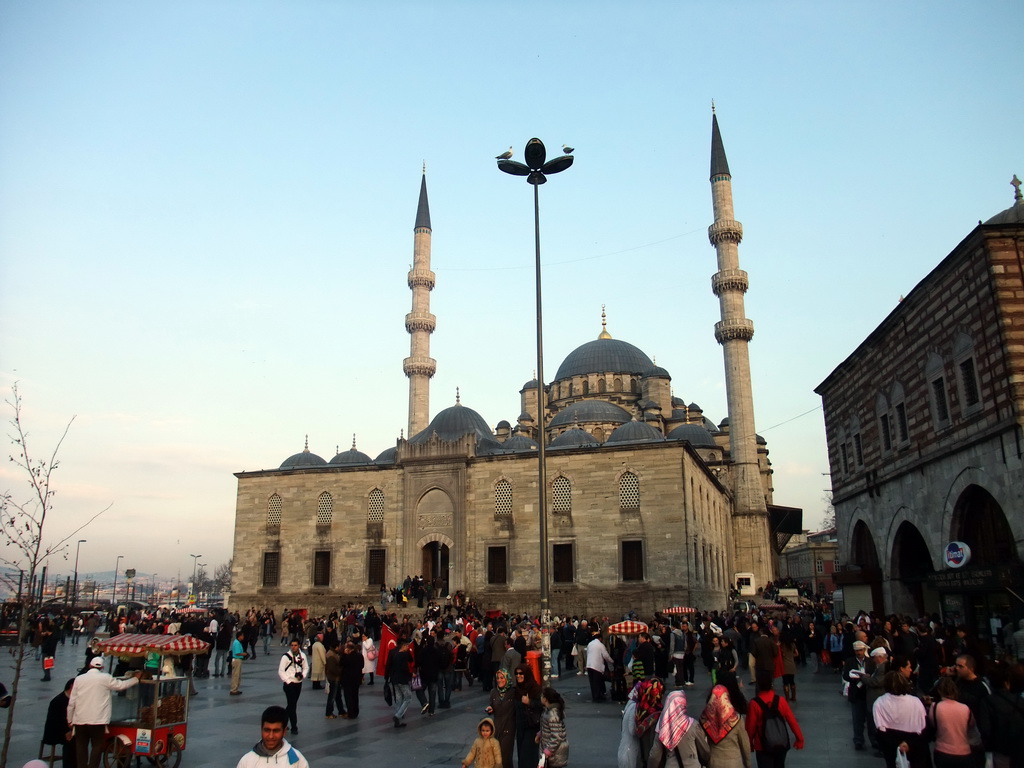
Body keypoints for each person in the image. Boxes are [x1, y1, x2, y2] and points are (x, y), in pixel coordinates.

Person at [67, 657, 143, 768]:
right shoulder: (105, 678)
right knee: (97, 746)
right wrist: (135, 679)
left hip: (80, 720)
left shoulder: (79, 679)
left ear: (89, 666)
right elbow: (121, 686)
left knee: (81, 748)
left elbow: (72, 702)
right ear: (102, 667)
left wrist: (69, 719)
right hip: (98, 720)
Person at [745, 671, 804, 768]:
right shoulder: (781, 700)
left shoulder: (754, 704)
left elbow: (750, 727)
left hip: (762, 746)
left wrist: (749, 744)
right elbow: (792, 721)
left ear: (759, 684)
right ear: (771, 684)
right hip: (781, 743)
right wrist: (800, 739)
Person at [872, 671, 928, 768]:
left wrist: (894, 745)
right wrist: (908, 743)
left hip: (890, 743)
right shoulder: (916, 701)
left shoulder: (879, 702)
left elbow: (880, 728)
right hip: (913, 742)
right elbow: (923, 725)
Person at [646, 690, 710, 768]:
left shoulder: (662, 727)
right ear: (683, 703)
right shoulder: (693, 724)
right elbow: (704, 751)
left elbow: (655, 756)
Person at [235, 705, 308, 768]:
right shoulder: (247, 761)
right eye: (267, 730)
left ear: (284, 731)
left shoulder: (297, 760)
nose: (270, 736)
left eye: (276, 731)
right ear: (261, 729)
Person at [928, 676, 977, 768]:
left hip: (943, 751)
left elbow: (933, 724)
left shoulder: (935, 707)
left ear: (939, 691)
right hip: (964, 752)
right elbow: (971, 725)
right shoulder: (965, 708)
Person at [700, 684, 751, 768]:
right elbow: (745, 745)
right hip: (734, 763)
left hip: (713, 762)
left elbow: (701, 743)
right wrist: (747, 764)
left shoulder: (705, 718)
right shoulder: (736, 719)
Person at [843, 640, 874, 750]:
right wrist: (853, 676)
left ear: (864, 650)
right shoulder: (850, 661)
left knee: (871, 719)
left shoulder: (871, 662)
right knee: (857, 719)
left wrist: (868, 677)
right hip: (856, 694)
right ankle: (858, 740)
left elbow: (874, 675)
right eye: (857, 651)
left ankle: (873, 740)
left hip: (868, 693)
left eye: (860, 650)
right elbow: (845, 676)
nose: (859, 653)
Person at [485, 668, 516, 768]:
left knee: (506, 757)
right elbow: (492, 704)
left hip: (508, 728)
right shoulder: (493, 692)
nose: (499, 680)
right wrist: (490, 708)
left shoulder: (513, 692)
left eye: (502, 678)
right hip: (496, 727)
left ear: (507, 678)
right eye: (498, 678)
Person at [513, 664, 543, 768]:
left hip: (532, 726)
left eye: (521, 673)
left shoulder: (535, 689)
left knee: (528, 755)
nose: (518, 676)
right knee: (521, 755)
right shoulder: (516, 689)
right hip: (520, 726)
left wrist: (530, 702)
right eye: (516, 673)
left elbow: (543, 705)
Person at [43, 678, 76, 768]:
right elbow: (55, 721)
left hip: (67, 728)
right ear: (71, 686)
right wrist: (67, 731)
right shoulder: (58, 701)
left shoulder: (72, 699)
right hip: (56, 730)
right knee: (71, 742)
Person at [278, 639, 308, 735]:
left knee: (292, 704)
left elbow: (306, 667)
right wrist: (287, 681)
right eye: (292, 645)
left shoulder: (302, 656)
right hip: (289, 683)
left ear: (299, 645)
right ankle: (294, 726)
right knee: (292, 705)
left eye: (295, 645)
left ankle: (282, 722)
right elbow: (281, 671)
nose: (293, 647)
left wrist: (302, 675)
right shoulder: (286, 657)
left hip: (298, 683)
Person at [384, 636, 414, 728]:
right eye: (407, 646)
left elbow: (389, 665)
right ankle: (397, 716)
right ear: (403, 646)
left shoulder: (394, 653)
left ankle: (398, 720)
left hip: (394, 679)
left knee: (399, 698)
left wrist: (387, 677)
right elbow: (405, 667)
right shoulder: (403, 655)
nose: (408, 647)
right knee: (408, 697)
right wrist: (410, 675)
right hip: (402, 679)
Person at [538, 687, 569, 768]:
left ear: (545, 699)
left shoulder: (552, 715)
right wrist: (540, 733)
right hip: (550, 753)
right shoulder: (547, 711)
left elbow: (557, 736)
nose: (540, 697)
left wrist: (548, 751)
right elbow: (549, 729)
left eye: (542, 696)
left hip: (555, 755)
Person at [586, 632, 614, 702]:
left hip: (589, 665)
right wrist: (612, 661)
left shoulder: (590, 644)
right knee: (597, 682)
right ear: (600, 638)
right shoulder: (600, 645)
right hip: (596, 666)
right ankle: (597, 696)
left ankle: (594, 696)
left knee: (592, 682)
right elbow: (606, 656)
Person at [339, 640, 363, 719]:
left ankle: (351, 712)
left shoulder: (347, 657)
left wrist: (344, 655)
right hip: (357, 679)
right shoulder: (360, 656)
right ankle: (356, 711)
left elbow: (341, 663)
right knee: (355, 696)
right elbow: (362, 665)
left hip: (347, 680)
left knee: (348, 696)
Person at [324, 640, 344, 719]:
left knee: (338, 696)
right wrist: (341, 670)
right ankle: (329, 713)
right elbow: (333, 668)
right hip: (333, 678)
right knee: (332, 696)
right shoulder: (331, 655)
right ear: (336, 647)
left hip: (335, 678)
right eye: (339, 646)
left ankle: (341, 710)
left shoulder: (333, 653)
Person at [230, 630, 246, 695]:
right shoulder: (236, 643)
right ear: (240, 636)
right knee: (236, 675)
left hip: (238, 660)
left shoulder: (238, 642)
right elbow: (237, 653)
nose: (243, 637)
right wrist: (244, 654)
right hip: (237, 660)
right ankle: (234, 689)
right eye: (242, 636)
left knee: (238, 675)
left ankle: (236, 688)